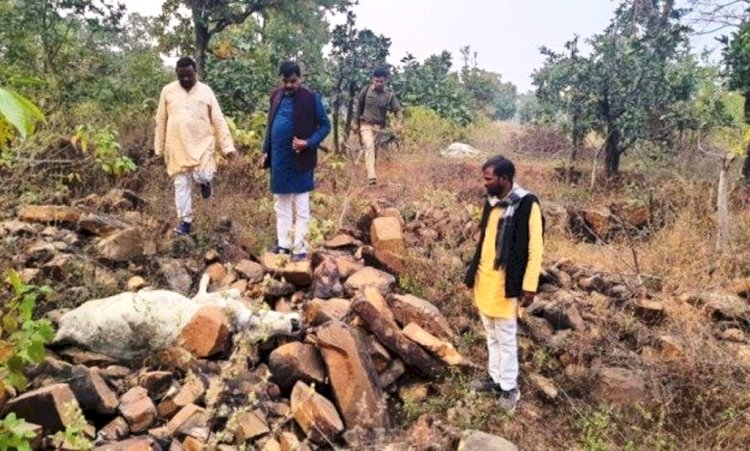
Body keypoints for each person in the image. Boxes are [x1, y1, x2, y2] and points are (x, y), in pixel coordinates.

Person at [464, 155, 544, 413]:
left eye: (488, 179)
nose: (484, 183)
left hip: (507, 285)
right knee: (491, 335)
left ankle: (510, 387)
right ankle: (495, 378)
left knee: (506, 338)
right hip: (485, 280)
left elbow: (535, 249)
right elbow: (484, 240)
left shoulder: (527, 204)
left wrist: (529, 285)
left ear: (504, 179)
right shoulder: (492, 202)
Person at [154, 56, 238, 235]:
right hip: (177, 145)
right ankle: (185, 223)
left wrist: (228, 148)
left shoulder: (206, 91)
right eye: (181, 76)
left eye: (189, 75)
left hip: (202, 143)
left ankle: (206, 185)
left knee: (204, 175)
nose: (185, 79)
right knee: (181, 183)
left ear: (195, 73)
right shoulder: (167, 91)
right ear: (177, 74)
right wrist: (158, 149)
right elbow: (160, 121)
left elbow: (218, 119)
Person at [260, 61, 331, 261]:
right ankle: (283, 245)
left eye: (293, 81)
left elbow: (325, 126)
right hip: (280, 160)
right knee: (280, 204)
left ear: (300, 78)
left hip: (301, 160)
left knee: (301, 206)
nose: (290, 85)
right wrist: (266, 151)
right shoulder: (276, 96)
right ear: (280, 80)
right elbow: (270, 126)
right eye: (286, 81)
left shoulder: (311, 98)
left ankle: (300, 248)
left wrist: (309, 142)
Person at [352, 67, 403, 186]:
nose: (378, 83)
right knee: (369, 146)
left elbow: (397, 110)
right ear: (373, 79)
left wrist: (399, 123)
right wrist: (355, 123)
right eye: (376, 81)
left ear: (385, 81)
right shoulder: (366, 91)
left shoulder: (389, 95)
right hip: (366, 125)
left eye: (381, 81)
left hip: (380, 129)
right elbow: (358, 107)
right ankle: (371, 177)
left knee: (377, 152)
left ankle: (375, 174)